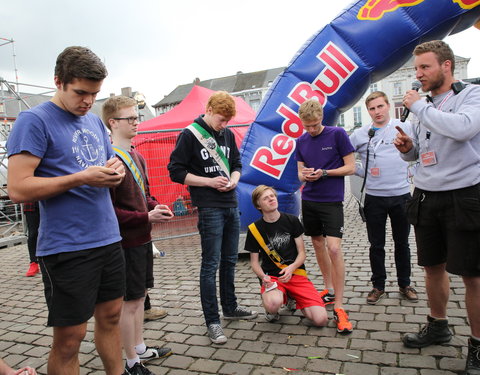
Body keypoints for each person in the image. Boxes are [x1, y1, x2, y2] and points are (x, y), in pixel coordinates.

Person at [6, 46, 127, 375]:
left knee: (112, 318)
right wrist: (81, 178)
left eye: (95, 94)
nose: (88, 102)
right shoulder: (33, 121)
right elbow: (17, 188)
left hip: (107, 237)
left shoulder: (92, 121)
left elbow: (97, 170)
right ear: (58, 82)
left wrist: (112, 173)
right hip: (66, 246)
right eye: (81, 93)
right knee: (71, 337)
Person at [394, 40, 480, 375]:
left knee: (472, 276)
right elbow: (418, 152)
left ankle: (477, 345)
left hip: (465, 196)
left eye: (424, 67)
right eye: (416, 69)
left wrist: (420, 108)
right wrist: (407, 148)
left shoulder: (470, 96)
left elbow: (462, 130)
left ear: (446, 66)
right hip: (426, 196)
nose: (418, 75)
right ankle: (438, 325)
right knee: (432, 267)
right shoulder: (424, 105)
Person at [168, 91, 257, 345]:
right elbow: (175, 171)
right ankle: (212, 321)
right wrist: (208, 181)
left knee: (229, 260)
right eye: (221, 119)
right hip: (208, 207)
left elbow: (238, 164)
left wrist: (234, 181)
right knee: (211, 264)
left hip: (230, 203)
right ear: (208, 109)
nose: (224, 125)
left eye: (228, 120)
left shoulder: (227, 134)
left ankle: (230, 307)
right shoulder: (190, 134)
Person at [102, 96, 173, 374]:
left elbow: (145, 196)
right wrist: (146, 216)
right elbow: (110, 211)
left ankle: (140, 347)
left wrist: (157, 207)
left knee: (140, 296)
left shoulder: (137, 155)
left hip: (144, 238)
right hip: (125, 243)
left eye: (136, 117)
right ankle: (132, 362)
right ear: (112, 122)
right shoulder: (109, 160)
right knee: (129, 303)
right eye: (129, 118)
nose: (136, 122)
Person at [350, 91, 418, 305]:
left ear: (388, 106)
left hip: (401, 196)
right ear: (368, 111)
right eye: (372, 108)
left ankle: (405, 283)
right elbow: (345, 158)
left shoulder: (404, 126)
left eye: (380, 106)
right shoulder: (361, 133)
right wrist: (363, 171)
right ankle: (378, 285)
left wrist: (413, 172)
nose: (377, 112)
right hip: (374, 198)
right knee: (376, 245)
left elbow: (417, 152)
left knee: (402, 243)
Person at [295, 98, 355, 334]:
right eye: (307, 126)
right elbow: (299, 173)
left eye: (315, 125)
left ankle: (339, 305)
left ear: (322, 118)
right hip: (309, 199)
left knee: (334, 249)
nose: (311, 130)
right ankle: (328, 290)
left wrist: (325, 173)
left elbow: (351, 167)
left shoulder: (337, 134)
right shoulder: (300, 141)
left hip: (331, 200)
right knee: (318, 244)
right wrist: (306, 175)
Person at [245, 185, 328, 326]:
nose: (271, 199)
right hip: (273, 277)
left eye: (272, 196)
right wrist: (263, 277)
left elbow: (302, 254)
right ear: (258, 205)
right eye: (266, 198)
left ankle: (293, 296)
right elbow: (254, 263)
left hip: (296, 274)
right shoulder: (254, 229)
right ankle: (274, 303)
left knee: (321, 320)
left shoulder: (292, 220)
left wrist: (291, 268)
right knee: (273, 304)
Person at [23, 201, 40, 277]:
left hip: (50, 203)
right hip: (31, 204)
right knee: (32, 234)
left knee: (51, 232)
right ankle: (34, 263)